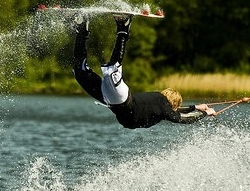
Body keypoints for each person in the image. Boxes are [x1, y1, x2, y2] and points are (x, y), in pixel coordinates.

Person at [72, 13, 216, 129]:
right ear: (172, 103)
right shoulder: (162, 103)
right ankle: (123, 26)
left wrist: (196, 107)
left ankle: (82, 28)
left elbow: (177, 112)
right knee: (111, 69)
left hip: (108, 98)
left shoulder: (161, 108)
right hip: (120, 99)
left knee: (79, 71)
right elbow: (180, 117)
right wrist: (204, 114)